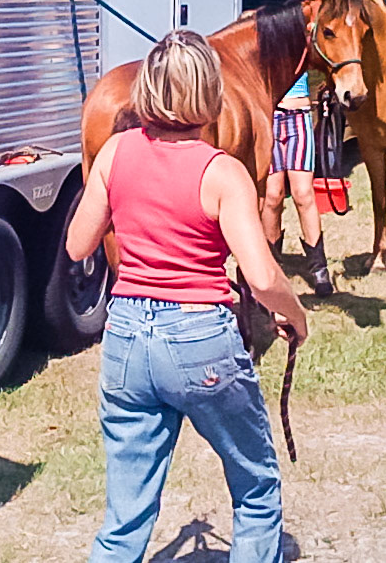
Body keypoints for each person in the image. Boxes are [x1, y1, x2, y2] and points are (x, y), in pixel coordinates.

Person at [67, 29, 310, 563]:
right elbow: (263, 277)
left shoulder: (113, 153)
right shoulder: (223, 172)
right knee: (254, 484)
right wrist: (294, 316)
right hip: (200, 335)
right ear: (210, 95)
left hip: (127, 336)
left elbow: (78, 243)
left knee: (125, 512)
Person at [256, 2, 334, 297]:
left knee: (304, 194)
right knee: (273, 196)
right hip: (273, 118)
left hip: (299, 116)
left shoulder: (302, 42)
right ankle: (272, 265)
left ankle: (319, 267)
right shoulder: (267, 42)